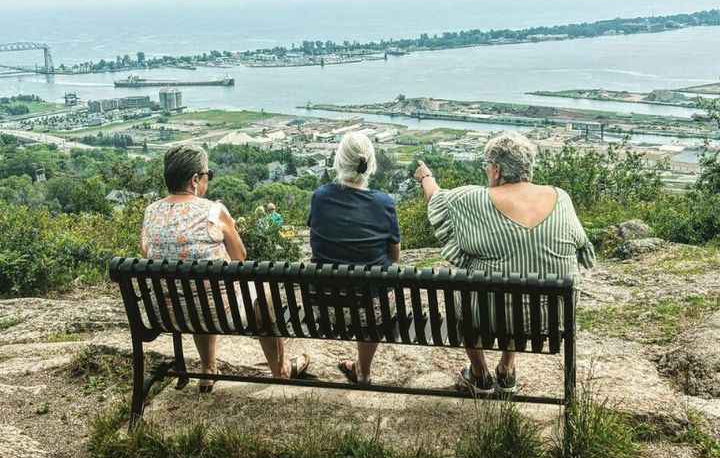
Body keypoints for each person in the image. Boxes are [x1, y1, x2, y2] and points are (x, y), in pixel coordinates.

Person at [414, 131, 594, 394]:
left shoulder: (473, 199)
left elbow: (436, 199)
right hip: (549, 319)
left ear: (496, 170)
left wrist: (426, 177)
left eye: (487, 167)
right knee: (518, 270)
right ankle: (507, 368)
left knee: (465, 283)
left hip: (489, 319)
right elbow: (581, 246)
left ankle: (478, 373)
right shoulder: (560, 197)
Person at [140, 145, 310, 393]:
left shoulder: (151, 212)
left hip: (167, 314)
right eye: (208, 174)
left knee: (200, 290)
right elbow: (240, 257)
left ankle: (208, 370)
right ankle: (281, 370)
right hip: (215, 312)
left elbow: (147, 253)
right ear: (195, 179)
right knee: (263, 293)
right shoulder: (214, 211)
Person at [308, 132, 401, 385]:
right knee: (375, 296)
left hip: (326, 308)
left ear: (339, 162)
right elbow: (394, 258)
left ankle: (360, 370)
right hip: (370, 312)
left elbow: (317, 242)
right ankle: (364, 372)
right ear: (370, 164)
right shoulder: (384, 203)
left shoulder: (320, 197)